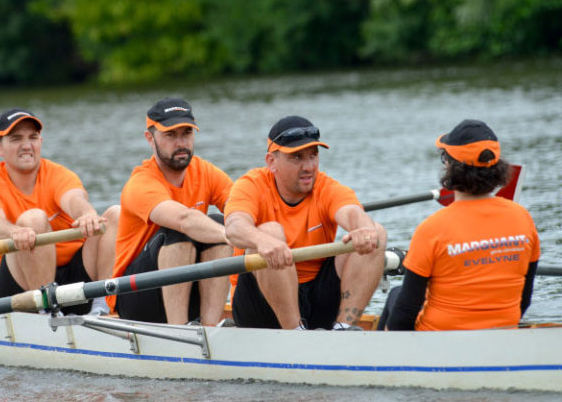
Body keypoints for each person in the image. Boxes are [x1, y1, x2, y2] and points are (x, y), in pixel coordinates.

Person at [224, 115, 387, 330]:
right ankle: (295, 334)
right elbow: (234, 227)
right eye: (297, 157)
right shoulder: (251, 185)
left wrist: (363, 229)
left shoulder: (325, 186)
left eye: (313, 155)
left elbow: (351, 213)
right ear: (271, 162)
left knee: (377, 232)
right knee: (270, 231)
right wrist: (261, 240)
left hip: (316, 299)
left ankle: (344, 330)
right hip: (261, 306)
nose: (309, 166)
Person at [384, 119, 540, 330]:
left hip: (441, 341)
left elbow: (404, 313)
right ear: (496, 167)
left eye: (444, 158)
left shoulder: (432, 229)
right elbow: (524, 300)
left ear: (450, 166)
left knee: (396, 295)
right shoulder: (523, 218)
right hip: (504, 333)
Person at [0, 108, 118, 315]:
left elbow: (74, 199)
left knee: (115, 215)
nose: (27, 145)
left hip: (72, 279)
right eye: (16, 139)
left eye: (33, 137)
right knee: (33, 219)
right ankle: (47, 313)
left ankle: (103, 307)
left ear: (40, 142)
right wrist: (15, 231)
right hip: (19, 287)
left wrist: (86, 214)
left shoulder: (58, 174)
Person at [112, 97, 233, 325]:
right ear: (150, 138)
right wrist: (235, 235)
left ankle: (209, 328)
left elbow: (243, 210)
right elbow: (184, 220)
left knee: (225, 220)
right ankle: (179, 334)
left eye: (186, 133)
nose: (181, 143)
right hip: (136, 297)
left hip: (186, 287)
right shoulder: (140, 183)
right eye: (170, 135)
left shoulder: (206, 172)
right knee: (182, 230)